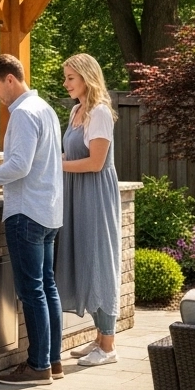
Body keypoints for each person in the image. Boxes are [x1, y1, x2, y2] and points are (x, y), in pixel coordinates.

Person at [0, 54, 63, 385]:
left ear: (10, 80)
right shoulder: (45, 109)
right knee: (46, 287)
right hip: (48, 210)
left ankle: (38, 366)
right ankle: (53, 361)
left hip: (27, 213)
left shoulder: (22, 114)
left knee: (32, 291)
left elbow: (19, 165)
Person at [56, 53, 121, 367]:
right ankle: (98, 338)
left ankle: (108, 346)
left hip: (94, 194)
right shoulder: (76, 111)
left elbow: (96, 163)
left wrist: (57, 166)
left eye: (70, 77)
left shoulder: (100, 113)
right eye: (66, 77)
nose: (65, 83)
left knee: (98, 261)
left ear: (86, 78)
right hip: (74, 192)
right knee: (83, 258)